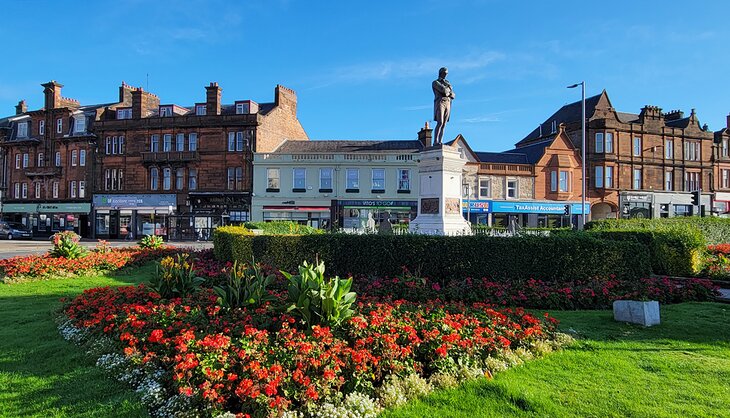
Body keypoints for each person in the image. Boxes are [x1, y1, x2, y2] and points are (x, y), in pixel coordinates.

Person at [432, 67, 455, 145]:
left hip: (448, 103)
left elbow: (453, 95)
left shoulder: (447, 83)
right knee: (440, 122)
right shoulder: (435, 82)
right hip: (440, 102)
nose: (445, 75)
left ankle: (440, 141)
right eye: (444, 73)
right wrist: (448, 90)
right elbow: (444, 91)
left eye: (446, 73)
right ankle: (435, 141)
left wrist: (449, 92)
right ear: (441, 73)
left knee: (444, 123)